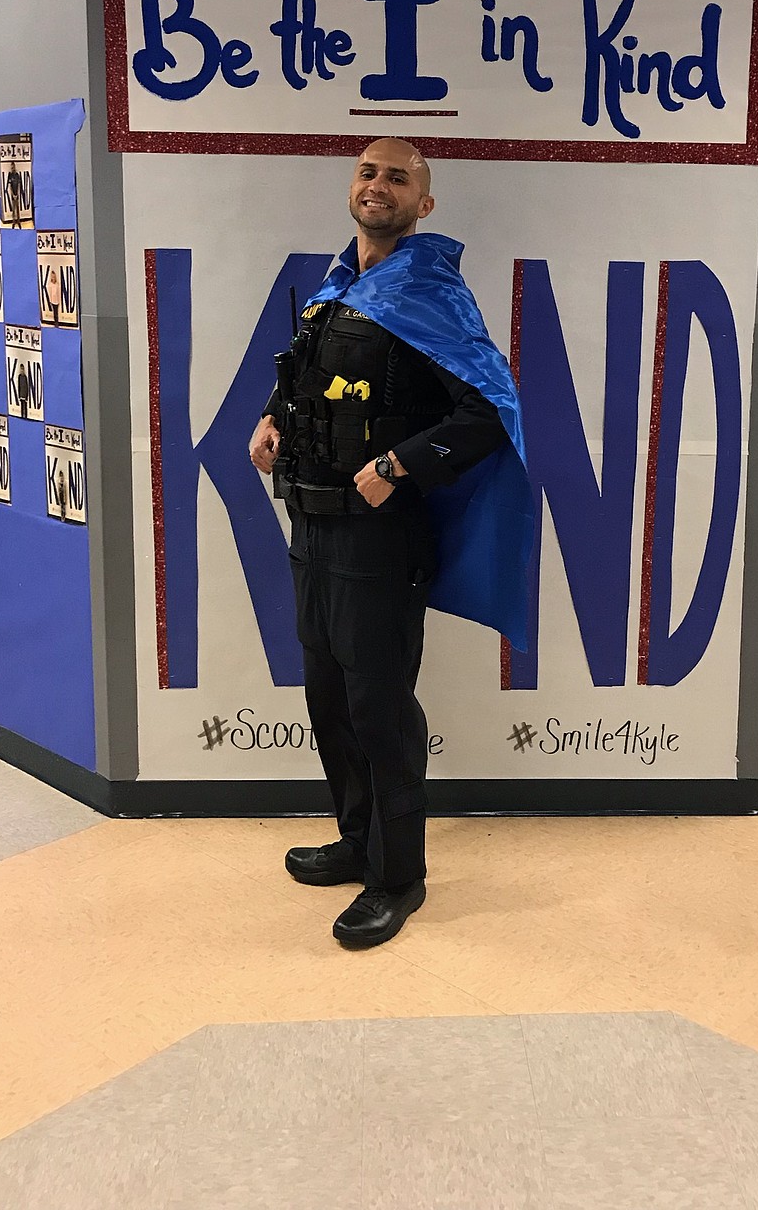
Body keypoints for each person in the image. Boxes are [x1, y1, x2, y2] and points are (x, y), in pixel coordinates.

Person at [249, 138, 531, 950]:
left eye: (398, 177)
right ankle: (355, 837)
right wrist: (271, 420)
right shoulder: (338, 290)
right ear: (352, 187)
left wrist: (399, 463)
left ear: (423, 205)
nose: (379, 186)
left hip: (379, 541)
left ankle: (398, 877)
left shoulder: (433, 296)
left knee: (380, 711)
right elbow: (304, 380)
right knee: (329, 703)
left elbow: (486, 414)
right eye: (368, 172)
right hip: (312, 529)